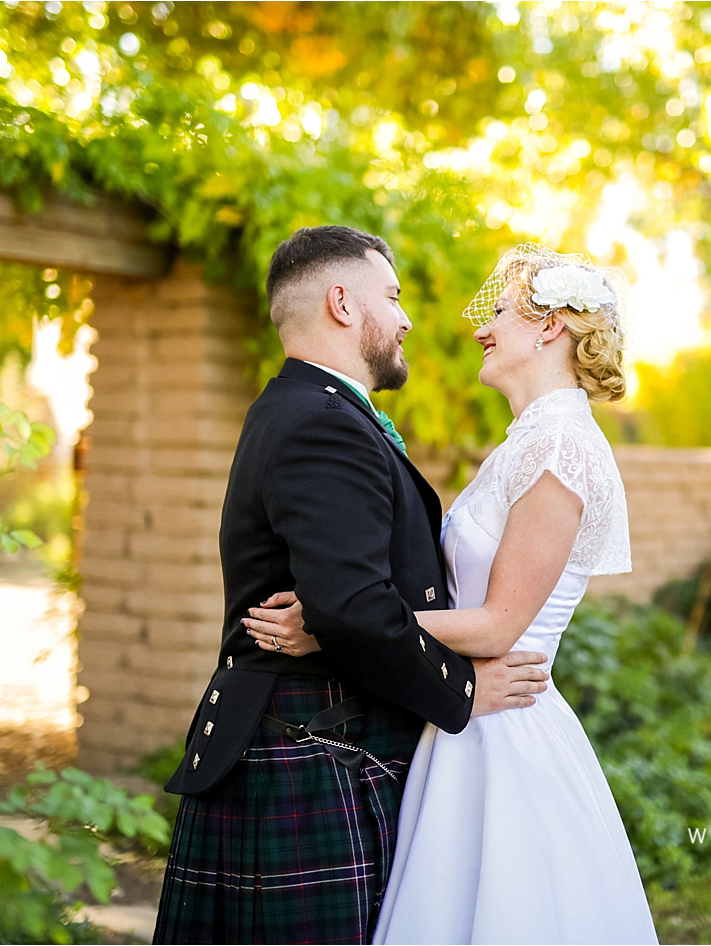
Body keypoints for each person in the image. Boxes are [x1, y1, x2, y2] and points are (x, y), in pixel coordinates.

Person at [248, 245, 659, 944]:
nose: (481, 329)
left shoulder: (561, 444)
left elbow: (500, 626)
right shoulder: (524, 443)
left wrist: (330, 624)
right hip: (464, 716)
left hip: (506, 725)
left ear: (551, 327)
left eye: (498, 312)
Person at [154, 226, 552, 945]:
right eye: (392, 297)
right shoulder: (321, 424)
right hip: (311, 744)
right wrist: (464, 688)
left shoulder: (310, 412)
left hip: (320, 737)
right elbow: (353, 609)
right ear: (342, 302)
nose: (405, 319)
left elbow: (350, 602)